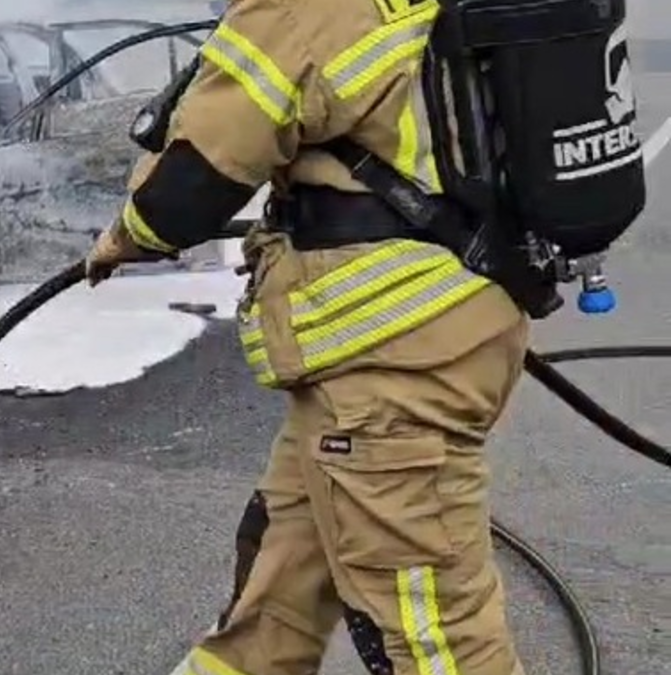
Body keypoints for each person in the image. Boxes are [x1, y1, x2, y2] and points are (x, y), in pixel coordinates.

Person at [84, 0, 531, 673]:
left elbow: (191, 185)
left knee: (438, 640)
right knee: (276, 596)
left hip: (387, 362)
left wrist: (124, 237)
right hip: (444, 325)